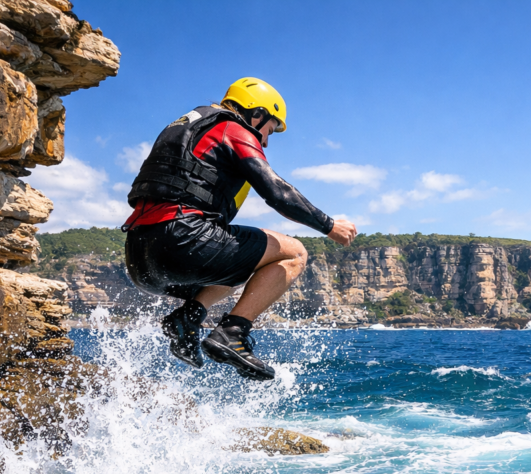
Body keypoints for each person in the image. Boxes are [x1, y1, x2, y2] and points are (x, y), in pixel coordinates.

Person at [121, 78, 358, 381]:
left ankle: (187, 319)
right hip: (181, 241)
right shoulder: (232, 128)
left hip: (140, 260)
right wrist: (329, 225)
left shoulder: (186, 127)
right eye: (270, 130)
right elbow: (278, 193)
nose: (267, 141)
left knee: (243, 263)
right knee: (294, 253)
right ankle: (232, 333)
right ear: (256, 113)